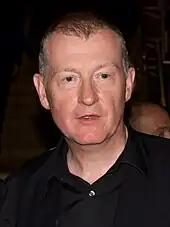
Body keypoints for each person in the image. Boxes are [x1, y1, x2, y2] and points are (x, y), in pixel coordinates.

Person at [1, 12, 170, 227]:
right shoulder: (17, 197)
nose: (88, 97)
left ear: (128, 84)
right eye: (69, 79)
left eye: (103, 76)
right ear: (42, 91)